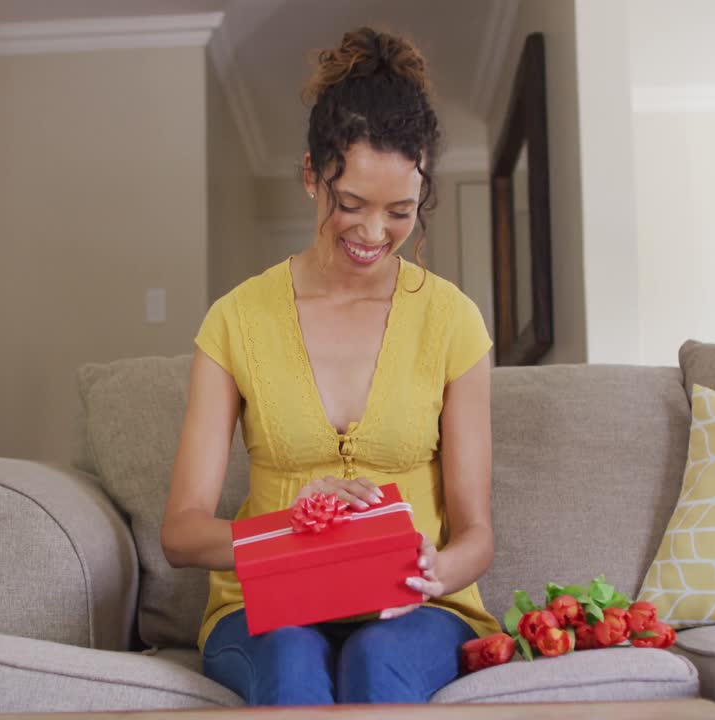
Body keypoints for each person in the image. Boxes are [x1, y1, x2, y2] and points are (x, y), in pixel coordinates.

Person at [160, 26, 499, 706]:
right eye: (351, 205)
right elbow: (181, 533)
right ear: (312, 175)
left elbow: (477, 532)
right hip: (263, 610)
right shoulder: (236, 321)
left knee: (377, 663)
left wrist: (440, 569)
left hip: (414, 611)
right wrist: (290, 528)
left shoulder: (452, 321)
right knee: (290, 667)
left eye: (401, 212)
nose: (374, 234)